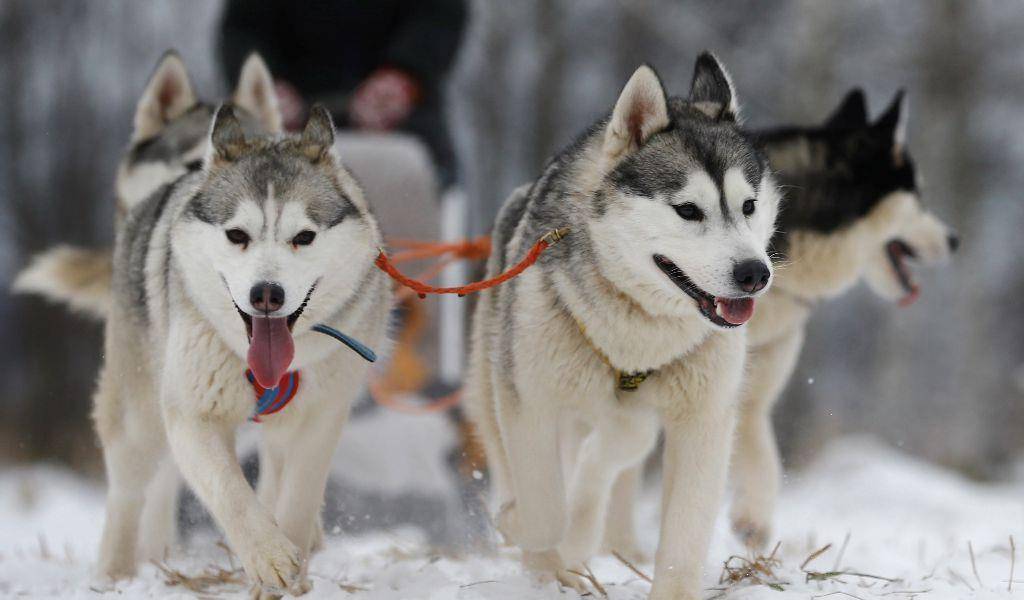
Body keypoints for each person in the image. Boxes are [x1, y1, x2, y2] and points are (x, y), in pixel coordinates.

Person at [218, 0, 467, 187]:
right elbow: (242, 30)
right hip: (286, 137)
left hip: (406, 137)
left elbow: (438, 16)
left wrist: (405, 75)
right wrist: (264, 87)